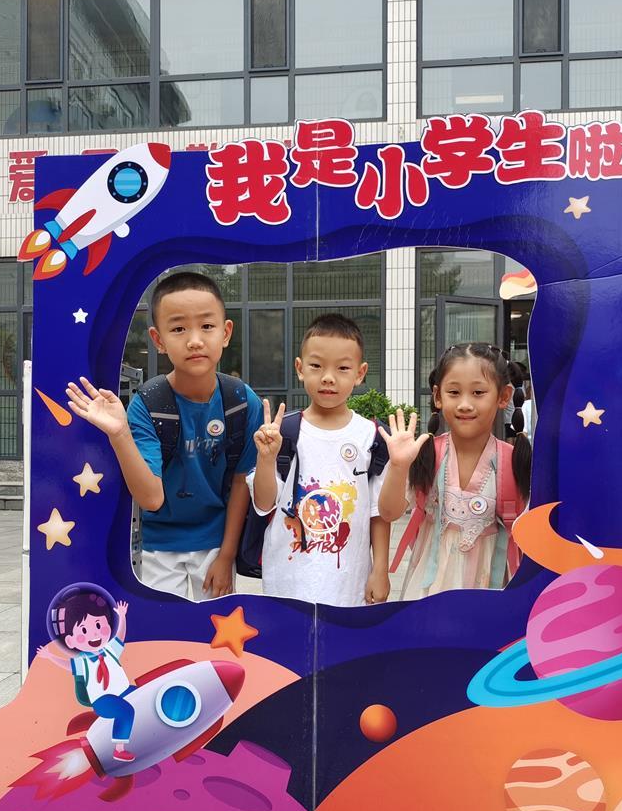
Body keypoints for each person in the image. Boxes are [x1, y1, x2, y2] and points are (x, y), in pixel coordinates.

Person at [66, 272, 263, 600]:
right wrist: (120, 434)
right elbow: (151, 499)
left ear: (226, 332)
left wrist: (227, 555)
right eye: (178, 329)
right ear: (158, 340)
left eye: (207, 326)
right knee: (164, 628)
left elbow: (243, 481)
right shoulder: (149, 403)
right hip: (158, 547)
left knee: (215, 629)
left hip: (216, 543)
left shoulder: (241, 401)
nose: (195, 340)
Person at [249, 313, 391, 607]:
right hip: (288, 585)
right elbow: (264, 504)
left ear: (360, 373)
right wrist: (266, 459)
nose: (328, 377)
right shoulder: (283, 433)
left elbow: (378, 512)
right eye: (316, 366)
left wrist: (380, 570)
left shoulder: (370, 436)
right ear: (300, 368)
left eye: (342, 368)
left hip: (349, 587)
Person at [378, 342, 531, 597]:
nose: (464, 404)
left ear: (503, 396)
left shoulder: (515, 461)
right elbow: (388, 512)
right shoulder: (425, 453)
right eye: (454, 392)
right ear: (438, 396)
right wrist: (398, 466)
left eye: (478, 392)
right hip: (427, 591)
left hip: (489, 593)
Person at [37, 589, 136, 762]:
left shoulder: (110, 650)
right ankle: (119, 749)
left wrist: (122, 617)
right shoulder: (82, 660)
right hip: (103, 700)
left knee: (145, 695)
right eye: (83, 631)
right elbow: (68, 665)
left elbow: (120, 637)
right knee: (125, 711)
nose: (95, 634)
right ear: (70, 641)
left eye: (98, 626)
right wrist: (51, 657)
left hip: (124, 691)